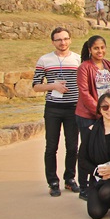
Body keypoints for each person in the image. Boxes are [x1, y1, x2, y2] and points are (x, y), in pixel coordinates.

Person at [32, 27, 82, 197]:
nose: (63, 42)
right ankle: (53, 181)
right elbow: (36, 86)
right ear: (53, 41)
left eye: (66, 39)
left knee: (72, 146)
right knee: (51, 146)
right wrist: (53, 86)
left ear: (70, 40)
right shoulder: (45, 60)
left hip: (73, 107)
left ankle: (70, 178)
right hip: (53, 108)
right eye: (59, 39)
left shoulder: (78, 59)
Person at [76, 35, 110, 199]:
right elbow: (84, 92)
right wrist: (99, 110)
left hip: (106, 114)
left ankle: (99, 180)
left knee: (102, 150)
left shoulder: (109, 65)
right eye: (96, 48)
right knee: (87, 150)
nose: (100, 51)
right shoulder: (84, 67)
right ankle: (83, 186)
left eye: (102, 47)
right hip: (88, 115)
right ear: (90, 50)